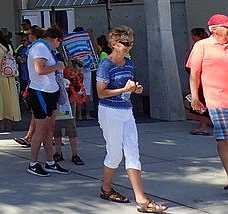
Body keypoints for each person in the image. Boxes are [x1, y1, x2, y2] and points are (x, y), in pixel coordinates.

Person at [96, 26, 166, 212]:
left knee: (133, 152)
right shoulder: (105, 65)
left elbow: (128, 87)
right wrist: (124, 90)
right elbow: (101, 93)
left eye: (131, 43)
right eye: (124, 43)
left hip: (127, 111)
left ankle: (141, 199)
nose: (128, 47)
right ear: (113, 44)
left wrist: (135, 89)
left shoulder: (128, 63)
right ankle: (106, 188)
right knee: (115, 154)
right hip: (110, 112)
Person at [188, 14, 228, 190]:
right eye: (226, 26)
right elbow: (194, 74)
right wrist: (195, 98)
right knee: (223, 140)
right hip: (217, 100)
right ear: (215, 29)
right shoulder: (201, 46)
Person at [26, 27, 69, 176]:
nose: (59, 45)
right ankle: (33, 163)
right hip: (40, 91)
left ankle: (50, 161)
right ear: (56, 39)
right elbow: (39, 69)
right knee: (41, 128)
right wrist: (57, 66)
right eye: (59, 42)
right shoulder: (40, 48)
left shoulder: (45, 49)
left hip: (50, 90)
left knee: (49, 128)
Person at [0, 29, 21, 132]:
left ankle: (0, 123)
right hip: (9, 74)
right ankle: (9, 123)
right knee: (9, 98)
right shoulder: (8, 47)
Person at [53, 61, 84, 166]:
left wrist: (66, 103)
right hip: (57, 103)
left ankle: (75, 154)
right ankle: (58, 152)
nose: (72, 73)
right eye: (70, 70)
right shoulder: (59, 75)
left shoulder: (78, 79)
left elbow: (76, 93)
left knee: (71, 129)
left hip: (70, 103)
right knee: (56, 129)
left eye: (75, 72)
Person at [186, 27, 212, 136]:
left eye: (193, 36)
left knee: (201, 101)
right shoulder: (209, 45)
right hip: (209, 79)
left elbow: (193, 66)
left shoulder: (200, 46)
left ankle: (203, 126)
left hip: (202, 79)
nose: (192, 38)